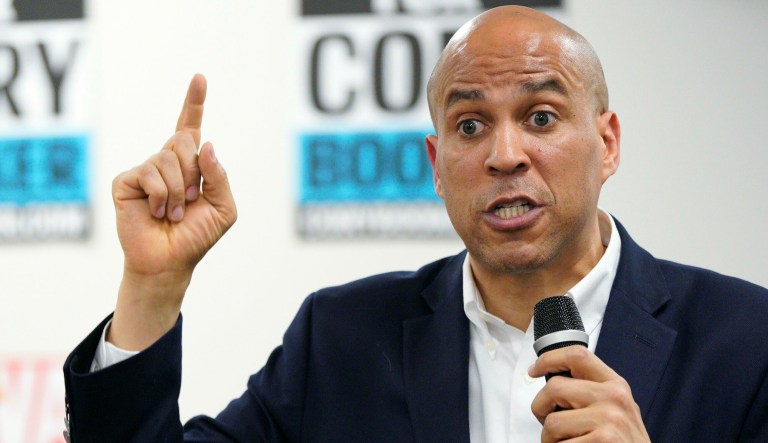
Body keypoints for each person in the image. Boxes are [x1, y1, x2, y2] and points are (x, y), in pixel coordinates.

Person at [63, 5, 768, 442]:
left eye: (541, 117)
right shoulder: (339, 340)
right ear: (437, 161)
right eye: (470, 124)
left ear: (608, 142)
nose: (504, 155)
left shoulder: (744, 341)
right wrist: (150, 289)